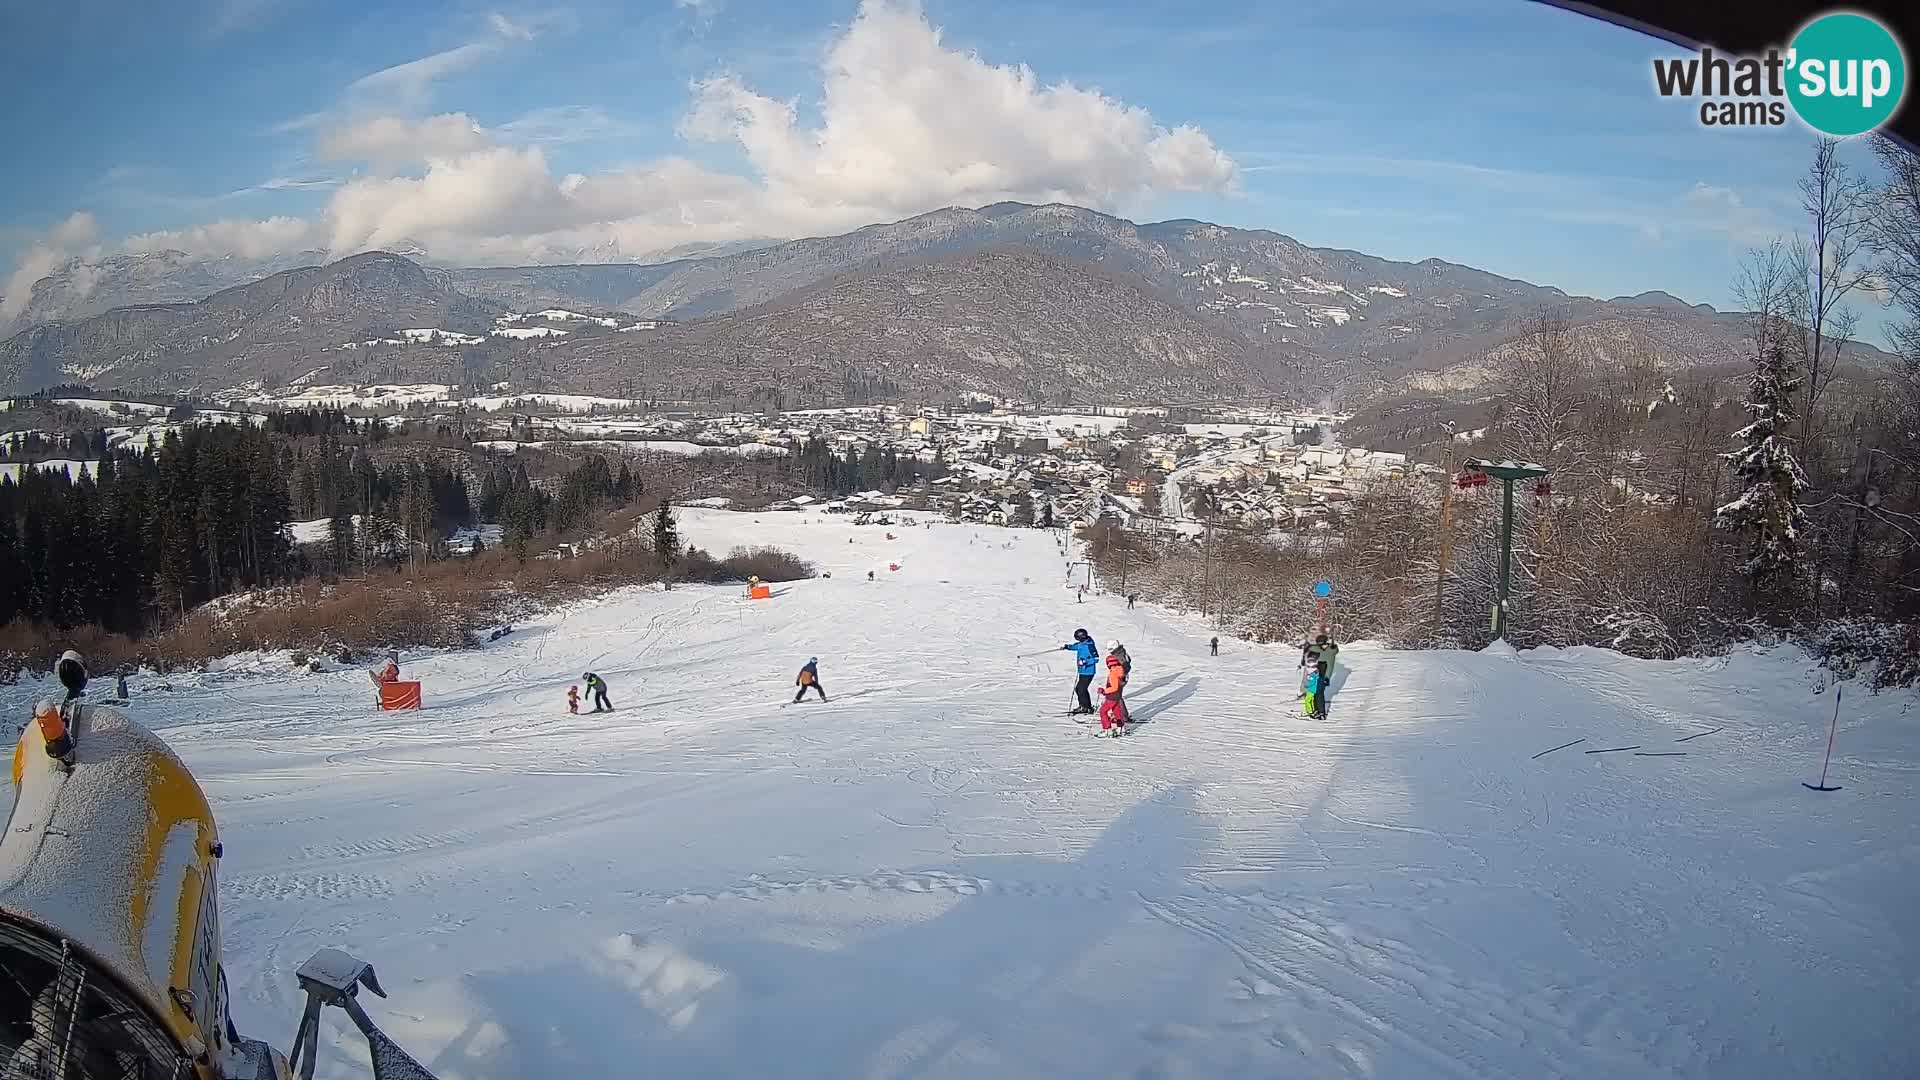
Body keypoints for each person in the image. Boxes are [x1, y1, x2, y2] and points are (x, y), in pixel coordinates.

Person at [1062, 629, 1099, 714]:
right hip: (1082, 671)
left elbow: (1096, 658)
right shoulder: (1082, 643)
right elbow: (1076, 646)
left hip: (1088, 672)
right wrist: (1067, 647)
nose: (1077, 640)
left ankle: (1086, 707)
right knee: (1080, 689)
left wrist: (1085, 662)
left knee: (1081, 689)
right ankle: (1085, 706)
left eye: (1078, 638)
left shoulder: (1090, 646)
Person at [1098, 645, 1130, 734]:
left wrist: (1104, 691)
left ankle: (1107, 729)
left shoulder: (1113, 673)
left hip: (1112, 696)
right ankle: (1121, 728)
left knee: (1103, 711)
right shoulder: (1120, 671)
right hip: (1117, 696)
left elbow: (1114, 687)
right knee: (1117, 712)